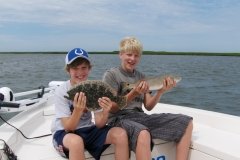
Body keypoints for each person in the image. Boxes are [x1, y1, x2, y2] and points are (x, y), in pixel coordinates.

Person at [102, 37, 193, 160]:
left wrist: (161, 91)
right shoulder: (111, 75)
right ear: (121, 55)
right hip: (118, 119)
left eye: (136, 55)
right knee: (143, 133)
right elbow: (111, 108)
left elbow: (149, 106)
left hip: (140, 117)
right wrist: (133, 93)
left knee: (186, 122)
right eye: (129, 54)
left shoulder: (142, 77)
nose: (132, 59)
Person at [51, 48, 129, 160]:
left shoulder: (93, 89)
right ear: (68, 70)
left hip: (87, 129)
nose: (80, 72)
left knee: (121, 134)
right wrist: (77, 111)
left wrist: (106, 111)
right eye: (75, 68)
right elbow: (68, 128)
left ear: (89, 69)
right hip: (63, 133)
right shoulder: (62, 92)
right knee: (76, 142)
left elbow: (99, 124)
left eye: (84, 68)